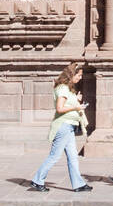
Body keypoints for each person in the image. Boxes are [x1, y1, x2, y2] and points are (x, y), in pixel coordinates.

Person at [29, 62, 92, 193]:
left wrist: (77, 100)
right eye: (79, 75)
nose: (80, 78)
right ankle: (37, 180)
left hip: (69, 127)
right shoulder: (63, 88)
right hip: (63, 126)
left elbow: (67, 104)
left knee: (73, 156)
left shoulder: (67, 89)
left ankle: (78, 184)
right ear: (72, 74)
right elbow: (60, 108)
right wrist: (77, 106)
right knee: (54, 156)